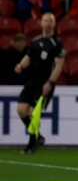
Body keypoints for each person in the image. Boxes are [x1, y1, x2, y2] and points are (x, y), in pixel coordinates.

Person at [14, 12, 65, 154]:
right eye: (45, 20)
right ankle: (38, 137)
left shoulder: (57, 43)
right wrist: (20, 65)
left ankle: (31, 144)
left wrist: (49, 83)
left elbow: (59, 66)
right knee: (21, 110)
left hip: (45, 83)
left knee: (32, 112)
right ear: (41, 23)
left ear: (54, 24)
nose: (48, 23)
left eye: (51, 21)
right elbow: (28, 57)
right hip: (32, 80)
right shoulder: (35, 41)